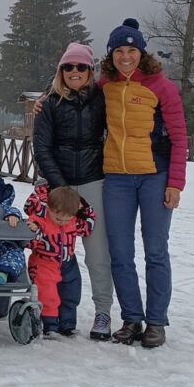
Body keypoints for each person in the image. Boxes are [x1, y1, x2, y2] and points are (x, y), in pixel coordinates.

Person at [98, 18, 187, 349]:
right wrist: (43, 101)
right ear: (110, 55)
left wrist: (175, 182)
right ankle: (132, 318)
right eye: (119, 50)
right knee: (120, 252)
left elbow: (179, 137)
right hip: (117, 178)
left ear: (141, 52)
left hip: (155, 175)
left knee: (155, 251)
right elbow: (72, 93)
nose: (125, 56)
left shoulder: (161, 87)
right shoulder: (104, 85)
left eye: (131, 50)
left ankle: (156, 322)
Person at [32, 42, 115, 340]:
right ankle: (50, 311)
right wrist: (60, 186)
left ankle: (103, 311)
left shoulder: (102, 98)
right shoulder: (50, 103)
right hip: (58, 183)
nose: (75, 72)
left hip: (93, 179)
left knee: (96, 252)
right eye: (68, 67)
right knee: (50, 249)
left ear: (90, 70)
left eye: (81, 66)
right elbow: (41, 148)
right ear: (61, 71)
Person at [24, 184, 94, 336]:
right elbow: (29, 242)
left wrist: (85, 208)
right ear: (48, 208)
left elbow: (87, 227)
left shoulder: (73, 220)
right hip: (44, 263)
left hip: (69, 263)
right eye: (58, 218)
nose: (62, 221)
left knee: (71, 293)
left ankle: (67, 324)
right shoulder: (40, 221)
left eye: (67, 218)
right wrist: (33, 231)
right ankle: (50, 325)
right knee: (47, 295)